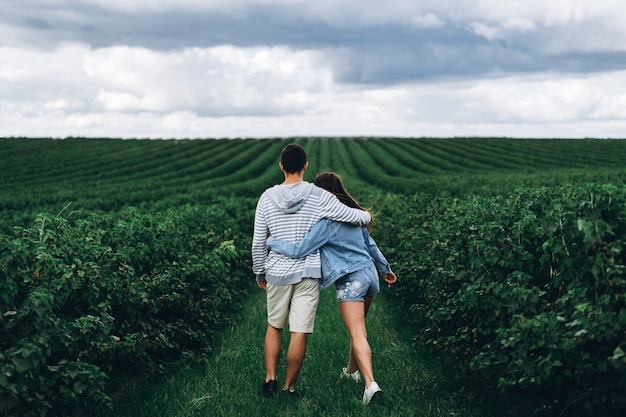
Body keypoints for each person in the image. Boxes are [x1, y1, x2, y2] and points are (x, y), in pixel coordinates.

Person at [266, 172, 397, 405]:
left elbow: (299, 249)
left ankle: (370, 385)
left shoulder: (326, 223)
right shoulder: (354, 216)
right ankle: (350, 372)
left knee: (357, 333)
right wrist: (385, 268)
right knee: (359, 331)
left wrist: (272, 241)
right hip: (370, 276)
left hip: (350, 280)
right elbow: (371, 244)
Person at [252, 145, 372, 398]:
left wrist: (259, 272)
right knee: (299, 330)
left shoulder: (266, 197)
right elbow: (354, 216)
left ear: (281, 166)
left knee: (274, 326)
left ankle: (269, 379)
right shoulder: (319, 196)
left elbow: (258, 240)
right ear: (305, 166)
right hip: (307, 271)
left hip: (276, 271)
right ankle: (289, 387)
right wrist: (367, 215)